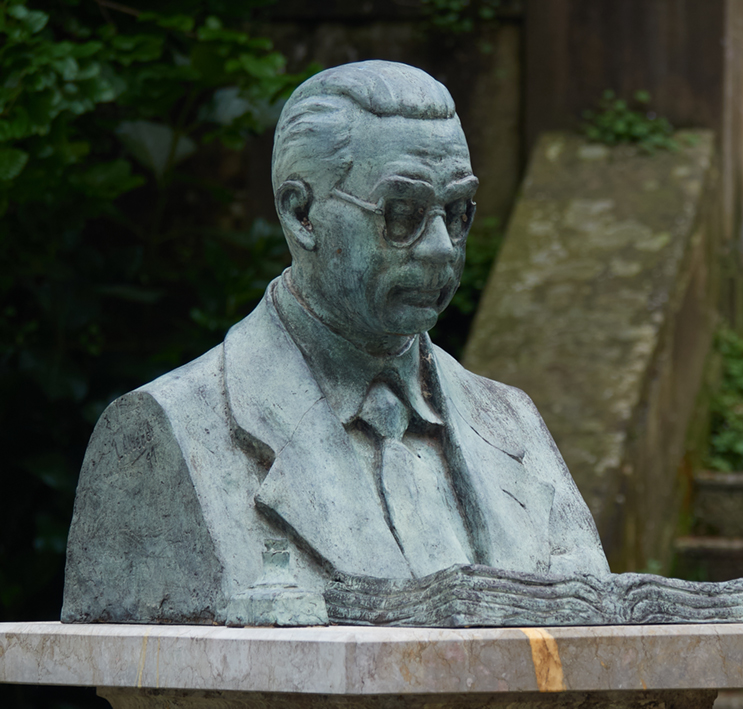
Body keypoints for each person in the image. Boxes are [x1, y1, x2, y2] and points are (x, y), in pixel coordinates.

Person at [62, 61, 609, 625]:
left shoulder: (512, 422)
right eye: (403, 214)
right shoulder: (161, 431)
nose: (443, 248)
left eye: (457, 212)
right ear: (301, 213)